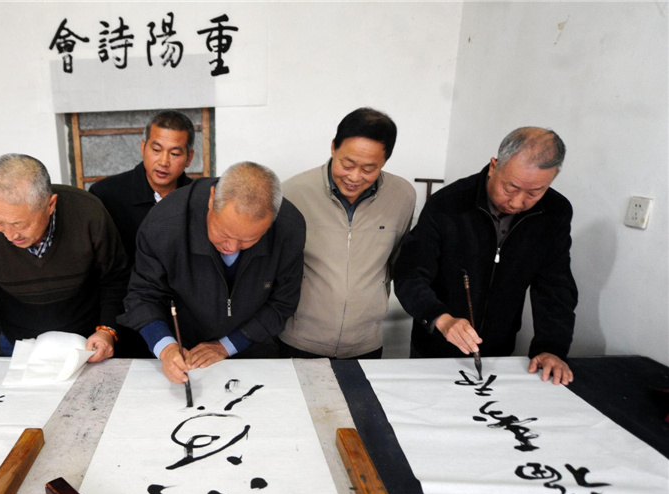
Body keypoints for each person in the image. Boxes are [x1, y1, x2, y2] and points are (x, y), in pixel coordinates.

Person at [394, 127, 577, 385]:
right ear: (494, 166)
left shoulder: (555, 213)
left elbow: (555, 286)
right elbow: (410, 272)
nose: (516, 202)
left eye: (534, 193)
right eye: (510, 188)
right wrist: (441, 319)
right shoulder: (449, 203)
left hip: (500, 353)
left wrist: (551, 347)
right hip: (434, 349)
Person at [118, 161, 306, 384]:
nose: (232, 247)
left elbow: (282, 303)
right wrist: (166, 349)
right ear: (211, 199)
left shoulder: (288, 228)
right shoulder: (165, 224)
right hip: (183, 353)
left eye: (249, 240)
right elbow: (142, 296)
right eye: (223, 233)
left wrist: (226, 345)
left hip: (254, 352)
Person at [0, 154, 128, 363]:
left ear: (50, 205)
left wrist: (108, 329)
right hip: (18, 343)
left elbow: (117, 277)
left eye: (20, 224)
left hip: (87, 341)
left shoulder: (88, 212)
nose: (9, 235)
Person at [279, 107, 416, 359]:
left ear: (385, 161)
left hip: (366, 343)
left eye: (368, 169)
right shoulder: (292, 193)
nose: (354, 177)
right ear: (333, 147)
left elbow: (396, 262)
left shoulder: (403, 195)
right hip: (300, 340)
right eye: (347, 163)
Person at [90, 110, 196, 357]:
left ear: (189, 157)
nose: (164, 161)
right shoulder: (106, 194)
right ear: (142, 147)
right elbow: (104, 274)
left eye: (175, 153)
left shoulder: (198, 199)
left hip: (185, 324)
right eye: (156, 149)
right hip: (125, 322)